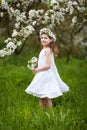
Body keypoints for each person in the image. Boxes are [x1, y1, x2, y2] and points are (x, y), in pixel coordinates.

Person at [25, 28, 69, 110]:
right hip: (41, 74)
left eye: (46, 38)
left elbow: (48, 65)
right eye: (42, 38)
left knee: (46, 96)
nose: (43, 39)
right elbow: (42, 62)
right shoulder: (43, 50)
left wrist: (37, 69)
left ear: (51, 40)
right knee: (41, 96)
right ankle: (42, 113)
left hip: (46, 75)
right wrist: (35, 67)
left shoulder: (48, 50)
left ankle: (51, 113)